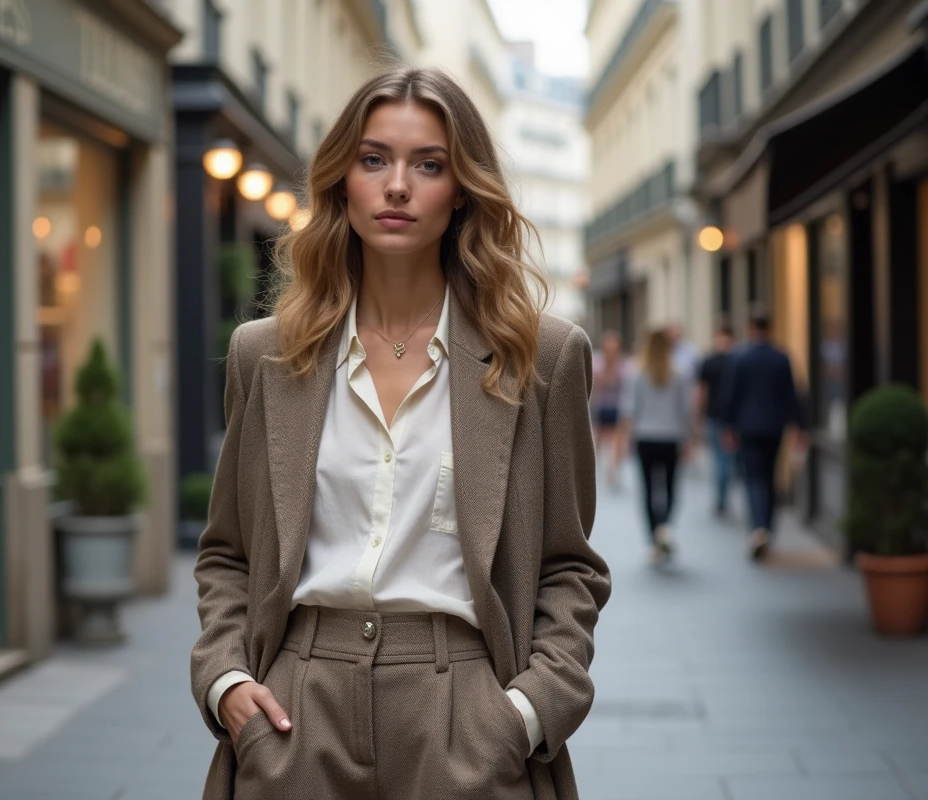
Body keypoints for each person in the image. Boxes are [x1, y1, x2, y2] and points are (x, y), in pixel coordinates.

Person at [191, 66, 612, 800]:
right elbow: (228, 552)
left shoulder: (541, 357)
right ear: (341, 181)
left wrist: (524, 714)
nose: (396, 186)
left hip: (468, 717)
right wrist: (226, 680)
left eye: (429, 165)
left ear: (462, 191)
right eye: (373, 158)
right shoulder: (265, 355)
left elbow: (569, 567)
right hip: (294, 714)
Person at [722, 312, 807, 561]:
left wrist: (728, 426)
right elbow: (793, 394)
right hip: (774, 426)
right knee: (769, 477)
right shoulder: (781, 358)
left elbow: (732, 395)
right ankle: (767, 527)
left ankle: (758, 526)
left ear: (750, 328)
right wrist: (801, 426)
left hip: (748, 427)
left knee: (752, 478)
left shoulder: (740, 358)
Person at [615, 327, 694, 564]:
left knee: (648, 488)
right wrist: (689, 439)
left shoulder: (635, 372)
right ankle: (665, 527)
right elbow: (685, 411)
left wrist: (625, 438)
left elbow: (629, 409)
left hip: (645, 437)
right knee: (670, 486)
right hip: (671, 438)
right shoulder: (679, 373)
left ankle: (653, 537)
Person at [696, 322, 736, 516]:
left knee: (720, 458)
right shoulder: (737, 359)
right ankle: (723, 495)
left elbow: (701, 392)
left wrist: (698, 415)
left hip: (715, 416)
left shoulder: (709, 360)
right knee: (727, 458)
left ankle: (721, 497)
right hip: (731, 417)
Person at [590, 329, 626, 486]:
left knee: (617, 440)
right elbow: (594, 385)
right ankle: (594, 467)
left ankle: (613, 471)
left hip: (617, 407)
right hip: (600, 407)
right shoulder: (596, 362)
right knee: (597, 438)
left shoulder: (623, 365)